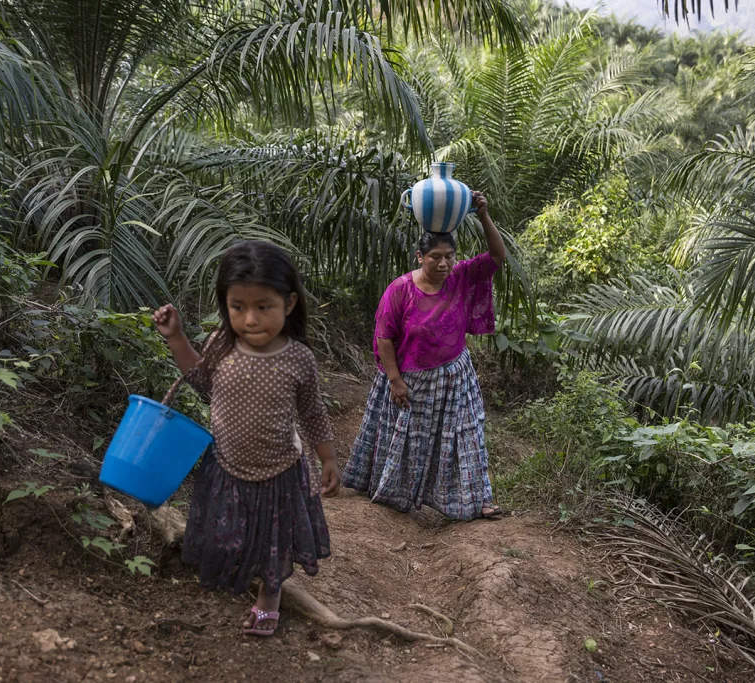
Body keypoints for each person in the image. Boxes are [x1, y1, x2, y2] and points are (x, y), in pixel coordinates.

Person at [151, 240, 339, 638]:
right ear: (226, 304)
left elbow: (312, 412)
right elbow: (201, 382)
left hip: (278, 471)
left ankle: (270, 597)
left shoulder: (298, 359)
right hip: (226, 465)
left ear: (288, 304)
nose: (250, 319)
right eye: (238, 307)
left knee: (275, 540)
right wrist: (176, 338)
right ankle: (238, 574)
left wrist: (328, 458)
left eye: (263, 307)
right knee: (229, 532)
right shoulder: (222, 344)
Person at [343, 191, 505, 521]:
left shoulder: (460, 277)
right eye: (435, 257)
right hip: (411, 380)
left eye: (449, 256)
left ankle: (478, 500)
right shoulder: (400, 289)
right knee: (407, 442)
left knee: (467, 435)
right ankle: (392, 495)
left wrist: (484, 215)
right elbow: (384, 338)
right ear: (420, 256)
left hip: (455, 377)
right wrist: (395, 381)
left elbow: (497, 257)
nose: (443, 263)